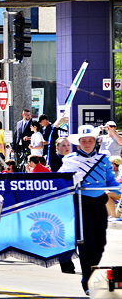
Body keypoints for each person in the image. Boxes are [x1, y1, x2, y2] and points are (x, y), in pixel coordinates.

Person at [59, 125, 121, 294]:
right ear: (79, 143)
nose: (87, 144)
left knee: (100, 244)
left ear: (95, 142)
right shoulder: (70, 160)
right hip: (81, 204)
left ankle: (92, 274)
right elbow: (59, 181)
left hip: (98, 204)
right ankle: (88, 281)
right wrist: (71, 179)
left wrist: (119, 189)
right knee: (86, 244)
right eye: (84, 141)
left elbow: (111, 181)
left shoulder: (103, 159)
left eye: (90, 140)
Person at [51, 137, 76, 274]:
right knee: (63, 232)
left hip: (74, 199)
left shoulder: (74, 160)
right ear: (57, 148)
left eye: (68, 145)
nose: (66, 147)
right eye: (63, 145)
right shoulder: (55, 160)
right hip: (60, 200)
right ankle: (66, 263)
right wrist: (55, 127)